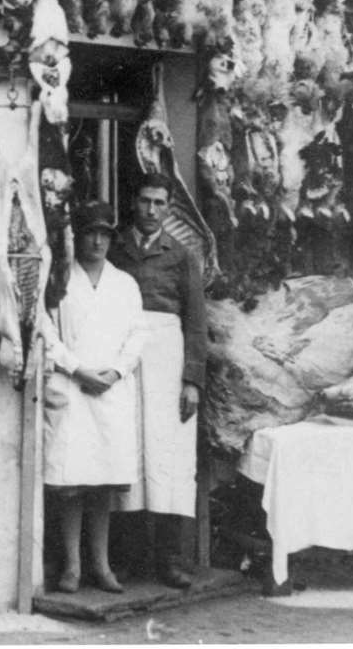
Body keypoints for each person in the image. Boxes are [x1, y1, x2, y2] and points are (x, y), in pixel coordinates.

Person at [41, 201, 147, 594]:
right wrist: (76, 368)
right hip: (73, 383)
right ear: (78, 236)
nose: (97, 241)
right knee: (73, 482)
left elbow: (138, 334)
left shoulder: (125, 284)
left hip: (110, 388)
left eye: (104, 234)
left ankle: (101, 566)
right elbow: (46, 330)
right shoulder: (60, 280)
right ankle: (72, 566)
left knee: (102, 482)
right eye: (90, 233)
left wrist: (117, 371)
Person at [109, 173, 207, 589]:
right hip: (125, 355)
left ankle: (169, 559)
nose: (151, 210)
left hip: (169, 359)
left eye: (160, 203)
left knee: (168, 456)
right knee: (128, 452)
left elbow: (196, 320)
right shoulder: (116, 249)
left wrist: (192, 381)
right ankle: (129, 558)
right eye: (146, 201)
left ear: (169, 208)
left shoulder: (182, 255)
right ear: (134, 202)